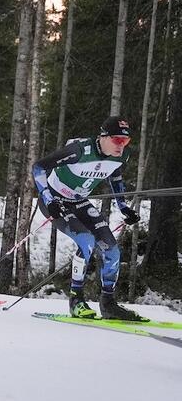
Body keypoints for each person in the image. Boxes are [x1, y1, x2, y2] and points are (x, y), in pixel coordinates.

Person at [33, 116, 144, 321]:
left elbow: (115, 175)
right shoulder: (79, 151)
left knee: (112, 249)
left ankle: (108, 304)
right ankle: (76, 301)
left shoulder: (121, 155)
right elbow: (38, 167)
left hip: (79, 202)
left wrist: (123, 207)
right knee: (86, 241)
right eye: (117, 140)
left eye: (126, 141)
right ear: (103, 137)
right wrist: (49, 200)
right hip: (56, 201)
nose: (122, 145)